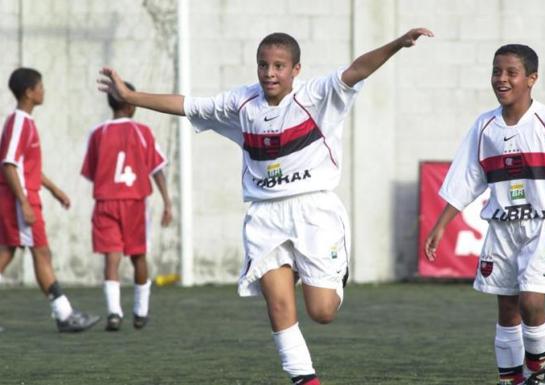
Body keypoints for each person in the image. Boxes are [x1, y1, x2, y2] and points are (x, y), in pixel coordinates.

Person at [98, 28, 433, 384]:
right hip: (265, 216)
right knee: (278, 305)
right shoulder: (241, 103)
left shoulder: (318, 95)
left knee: (321, 312)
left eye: (278, 66)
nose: (269, 73)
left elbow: (357, 69)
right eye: (263, 65)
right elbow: (186, 104)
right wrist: (130, 95)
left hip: (313, 212)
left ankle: (330, 274)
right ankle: (305, 378)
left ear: (296, 69)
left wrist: (397, 44)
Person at [424, 45, 545, 385]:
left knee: (531, 301)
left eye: (511, 73)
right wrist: (441, 225)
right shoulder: (484, 125)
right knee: (507, 307)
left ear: (532, 79)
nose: (501, 79)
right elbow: (467, 179)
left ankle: (537, 371)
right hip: (502, 227)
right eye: (496, 72)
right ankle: (511, 379)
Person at [0, 67, 100, 332]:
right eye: (40, 87)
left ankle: (63, 314)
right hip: (20, 200)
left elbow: (25, 167)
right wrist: (23, 202)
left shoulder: (25, 122)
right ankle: (64, 315)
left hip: (24, 197)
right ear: (28, 93)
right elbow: (8, 165)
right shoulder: (19, 121)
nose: (44, 91)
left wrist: (55, 190)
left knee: (9, 252)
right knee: (40, 252)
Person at [81, 81, 172, 331]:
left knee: (112, 257)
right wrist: (167, 201)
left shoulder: (97, 133)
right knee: (138, 255)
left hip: (105, 202)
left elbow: (91, 172)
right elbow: (157, 169)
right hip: (134, 203)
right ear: (131, 104)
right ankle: (140, 311)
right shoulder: (143, 132)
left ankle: (114, 313)